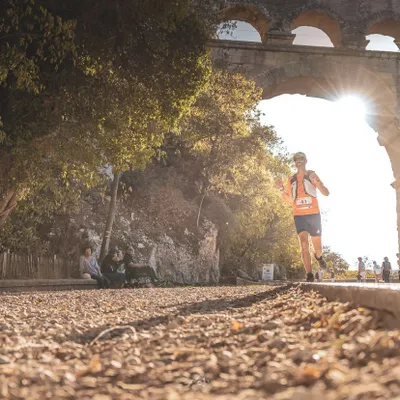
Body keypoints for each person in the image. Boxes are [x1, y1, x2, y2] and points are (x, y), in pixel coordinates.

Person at [277, 152, 330, 282]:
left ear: (306, 161)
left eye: (300, 159)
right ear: (294, 163)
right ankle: (309, 274)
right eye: (296, 160)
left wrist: (318, 183)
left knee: (318, 248)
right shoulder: (290, 179)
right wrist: (281, 189)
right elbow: (289, 200)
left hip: (313, 214)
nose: (298, 161)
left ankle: (319, 257)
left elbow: (326, 193)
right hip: (299, 215)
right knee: (304, 243)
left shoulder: (311, 174)